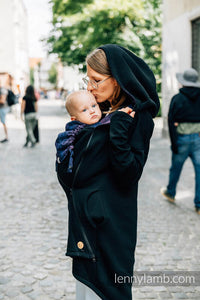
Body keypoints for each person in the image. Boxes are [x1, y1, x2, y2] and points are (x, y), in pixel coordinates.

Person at [56, 44, 160, 300]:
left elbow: (128, 173)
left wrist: (119, 128)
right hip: (89, 227)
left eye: (97, 80)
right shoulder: (103, 111)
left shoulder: (135, 116)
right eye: (87, 79)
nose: (90, 87)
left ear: (118, 78)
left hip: (109, 228)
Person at [161, 68, 200, 214]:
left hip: (181, 139)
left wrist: (174, 143)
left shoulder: (177, 98)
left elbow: (171, 122)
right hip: (198, 138)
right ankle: (199, 204)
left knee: (175, 168)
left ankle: (171, 192)